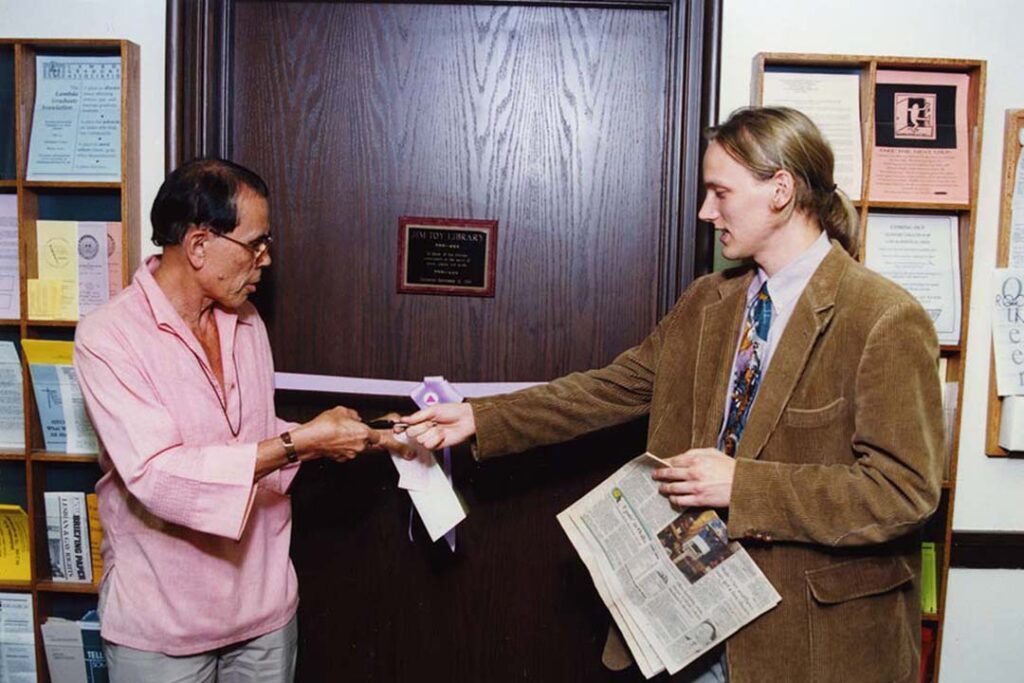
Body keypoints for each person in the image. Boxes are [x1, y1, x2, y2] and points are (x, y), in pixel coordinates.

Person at [401, 107, 944, 682]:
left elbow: (902, 492)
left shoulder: (883, 318)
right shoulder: (709, 302)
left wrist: (743, 485)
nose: (707, 212)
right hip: (694, 629)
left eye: (720, 192)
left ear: (780, 190)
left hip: (807, 647)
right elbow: (612, 389)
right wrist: (480, 418)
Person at [74, 158, 411, 683]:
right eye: (255, 244)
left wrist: (369, 435)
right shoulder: (107, 337)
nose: (266, 259)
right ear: (199, 245)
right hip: (164, 625)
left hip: (264, 616)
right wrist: (300, 444)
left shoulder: (246, 320)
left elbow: (252, 434)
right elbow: (158, 476)